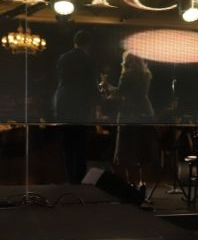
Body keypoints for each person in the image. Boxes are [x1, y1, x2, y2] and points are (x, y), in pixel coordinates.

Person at [103, 51, 157, 186]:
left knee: (126, 149)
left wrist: (106, 85)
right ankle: (142, 183)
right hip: (145, 112)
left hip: (129, 113)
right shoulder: (146, 74)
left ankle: (130, 183)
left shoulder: (127, 75)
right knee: (142, 149)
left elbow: (120, 92)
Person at [53, 30, 99, 184]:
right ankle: (78, 180)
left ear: (75, 42)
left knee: (67, 145)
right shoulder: (88, 60)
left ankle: (69, 178)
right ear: (88, 44)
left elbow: (60, 81)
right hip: (81, 105)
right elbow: (92, 85)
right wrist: (98, 101)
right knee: (80, 145)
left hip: (64, 103)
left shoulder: (63, 58)